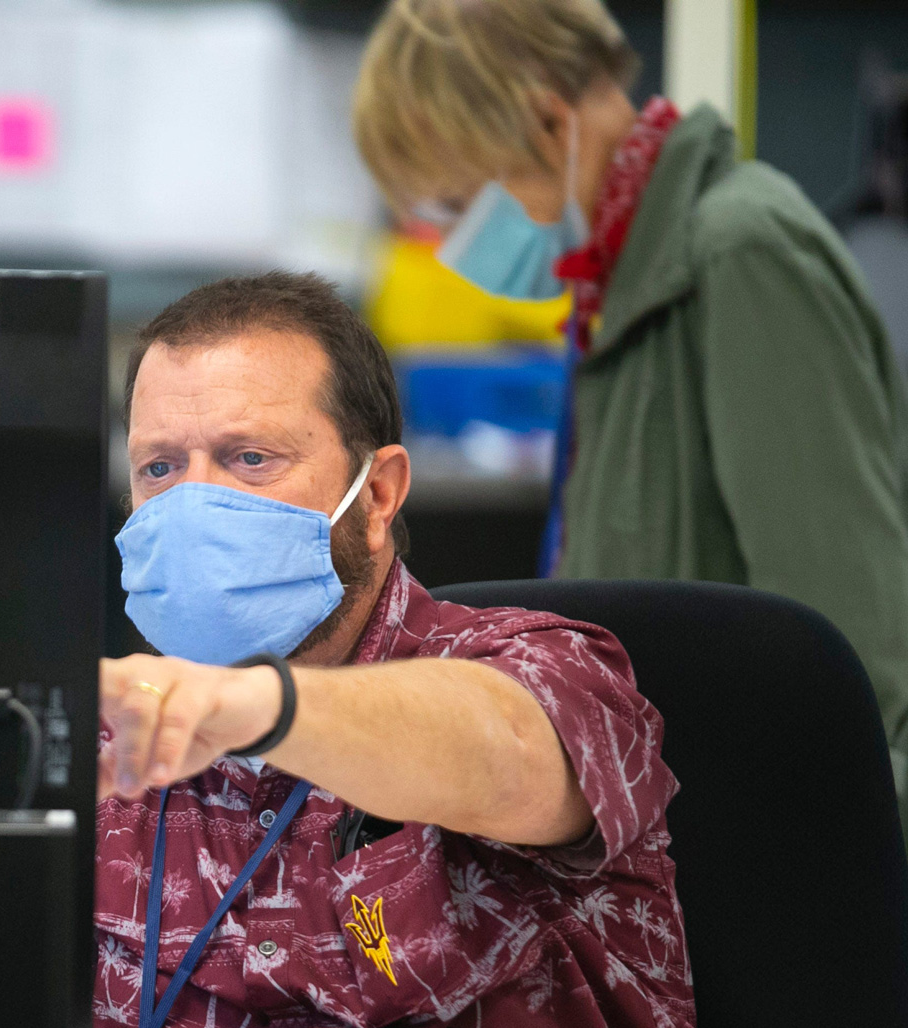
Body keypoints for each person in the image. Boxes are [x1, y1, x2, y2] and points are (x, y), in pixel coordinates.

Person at [73, 272, 770, 1028]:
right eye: (159, 468)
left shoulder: (541, 665)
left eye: (249, 457)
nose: (195, 504)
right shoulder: (102, 738)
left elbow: (510, 751)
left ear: (380, 493)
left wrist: (258, 702)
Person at [351, 0, 908, 822]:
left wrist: (825, 882)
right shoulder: (616, 288)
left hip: (763, 850)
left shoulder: (739, 254)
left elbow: (852, 652)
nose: (453, 240)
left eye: (457, 202)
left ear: (544, 123)